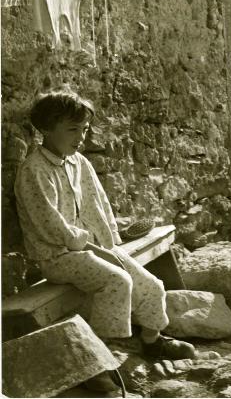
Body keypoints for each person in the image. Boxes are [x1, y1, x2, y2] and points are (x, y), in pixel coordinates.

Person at [14, 89, 195, 392]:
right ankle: (94, 361)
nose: (80, 137)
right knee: (116, 282)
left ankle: (151, 341)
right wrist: (81, 242)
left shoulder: (79, 163)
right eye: (72, 129)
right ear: (45, 129)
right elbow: (47, 221)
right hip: (57, 255)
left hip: (92, 247)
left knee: (151, 284)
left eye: (84, 129)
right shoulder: (34, 170)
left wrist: (111, 238)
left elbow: (99, 203)